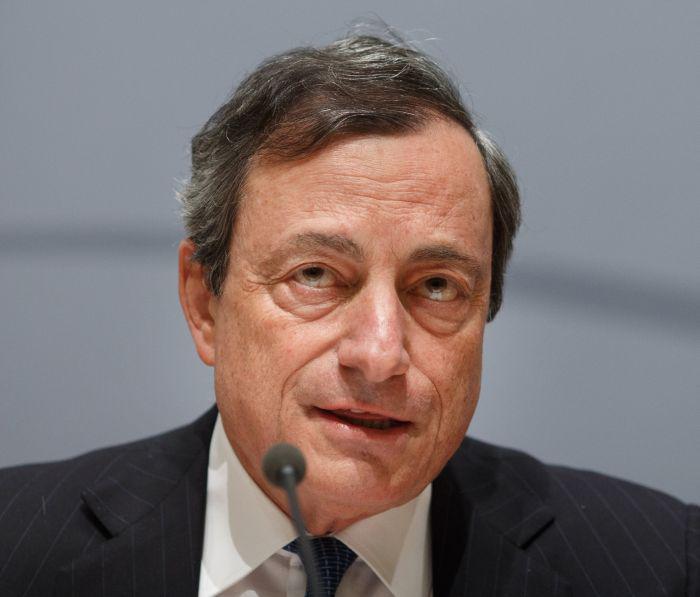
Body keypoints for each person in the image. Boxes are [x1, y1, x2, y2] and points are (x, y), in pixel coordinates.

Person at [0, 33, 697, 597]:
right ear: (204, 303)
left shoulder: (660, 567)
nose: (380, 354)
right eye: (315, 276)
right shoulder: (18, 545)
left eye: (437, 286)